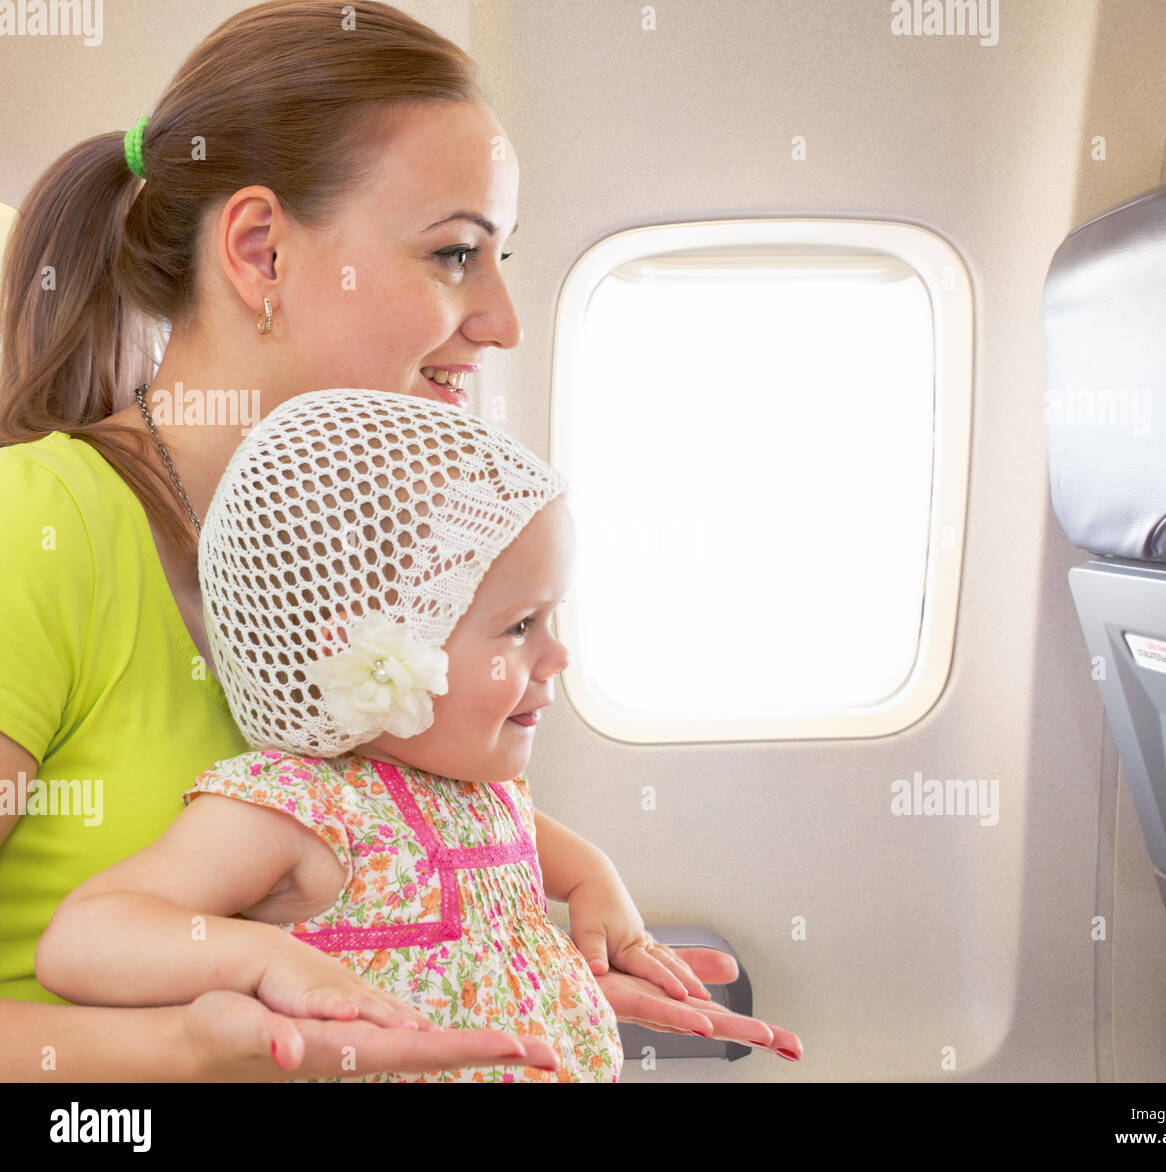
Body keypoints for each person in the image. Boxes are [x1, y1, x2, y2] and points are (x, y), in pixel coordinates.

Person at [0, 0, 802, 1080]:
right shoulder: (35, 530)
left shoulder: (368, 562)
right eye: (456, 252)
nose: (505, 318)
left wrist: (491, 966)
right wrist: (185, 1048)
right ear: (259, 251)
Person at [40, 389, 635, 1081]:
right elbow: (80, 939)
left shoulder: (484, 796)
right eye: (521, 626)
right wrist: (262, 958)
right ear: (371, 646)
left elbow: (554, 855)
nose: (558, 657)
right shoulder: (299, 810)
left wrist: (597, 879)